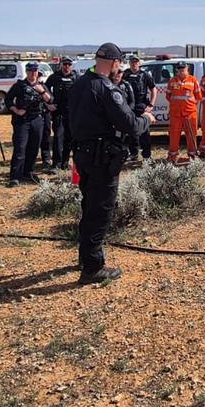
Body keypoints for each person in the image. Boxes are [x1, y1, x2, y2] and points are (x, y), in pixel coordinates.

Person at [68, 42, 154, 284]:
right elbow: (130, 125)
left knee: (89, 206)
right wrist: (146, 118)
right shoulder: (106, 89)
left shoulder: (79, 84)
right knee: (101, 210)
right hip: (101, 158)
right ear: (116, 63)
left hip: (83, 154)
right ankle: (93, 267)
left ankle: (86, 257)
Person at [5, 61, 52, 186]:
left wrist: (41, 91)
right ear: (26, 72)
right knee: (20, 148)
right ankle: (15, 176)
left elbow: (50, 99)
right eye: (31, 71)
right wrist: (16, 110)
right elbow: (8, 99)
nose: (33, 73)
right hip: (22, 121)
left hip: (37, 119)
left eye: (35, 71)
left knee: (33, 148)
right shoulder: (19, 85)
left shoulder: (41, 86)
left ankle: (28, 172)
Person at [165, 61, 202, 163]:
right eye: (179, 69)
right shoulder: (172, 81)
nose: (181, 70)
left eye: (183, 68)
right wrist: (176, 105)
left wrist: (189, 106)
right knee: (174, 135)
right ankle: (173, 156)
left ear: (187, 69)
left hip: (190, 113)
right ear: (177, 70)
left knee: (191, 135)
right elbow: (168, 96)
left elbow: (198, 97)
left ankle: (192, 154)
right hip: (175, 114)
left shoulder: (193, 80)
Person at [123, 56, 156, 164]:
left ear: (139, 63)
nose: (134, 64)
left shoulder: (145, 75)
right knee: (132, 131)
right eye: (132, 62)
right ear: (129, 63)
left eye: (136, 62)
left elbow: (153, 89)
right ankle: (133, 154)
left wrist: (151, 104)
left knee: (144, 133)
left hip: (142, 106)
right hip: (129, 107)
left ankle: (147, 156)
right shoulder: (125, 74)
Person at [47, 57, 77, 170]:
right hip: (58, 111)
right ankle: (56, 164)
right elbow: (45, 88)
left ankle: (65, 162)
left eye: (69, 64)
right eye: (65, 64)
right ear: (61, 65)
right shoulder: (55, 76)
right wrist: (50, 102)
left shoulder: (75, 77)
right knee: (58, 137)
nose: (67, 66)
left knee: (69, 138)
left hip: (71, 112)